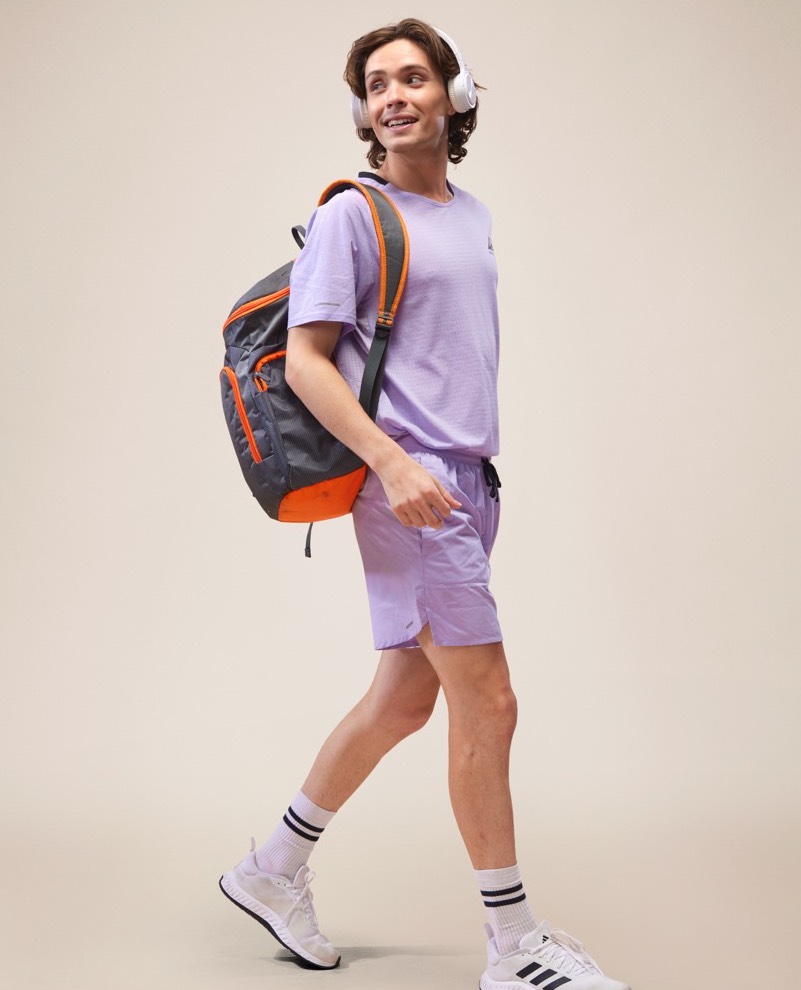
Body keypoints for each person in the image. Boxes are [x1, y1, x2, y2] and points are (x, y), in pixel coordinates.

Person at [220, 18, 630, 990]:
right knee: (489, 701)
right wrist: (394, 466)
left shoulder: (470, 213)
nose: (393, 95)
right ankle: (513, 946)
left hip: (470, 481)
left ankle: (270, 869)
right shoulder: (350, 215)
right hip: (412, 489)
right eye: (376, 85)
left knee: (403, 698)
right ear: (363, 113)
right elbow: (309, 363)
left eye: (412, 77)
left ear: (455, 94)